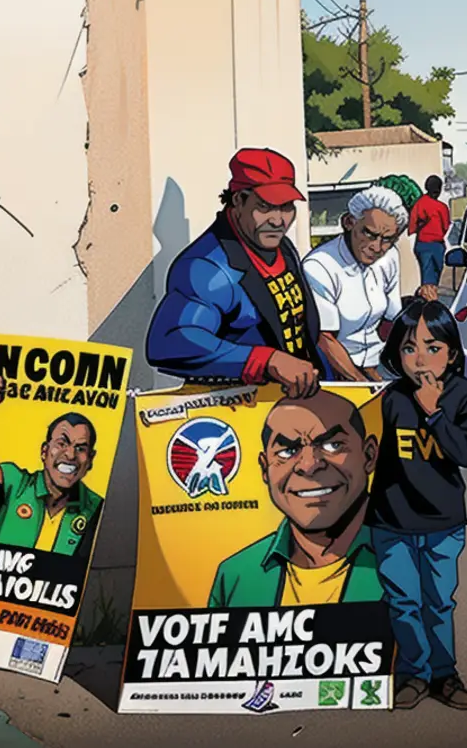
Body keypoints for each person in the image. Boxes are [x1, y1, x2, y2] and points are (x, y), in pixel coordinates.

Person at [369, 297, 467, 711]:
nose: (421, 359)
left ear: (452, 353)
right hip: (391, 521)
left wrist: (434, 413)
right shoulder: (387, 398)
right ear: (396, 354)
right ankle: (412, 673)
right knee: (402, 599)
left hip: (442, 522)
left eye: (433, 348)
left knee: (439, 600)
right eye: (408, 348)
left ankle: (445, 674)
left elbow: (464, 453)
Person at [146, 147, 321, 398]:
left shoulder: (280, 245)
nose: (278, 220)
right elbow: (171, 341)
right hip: (237, 410)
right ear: (238, 200)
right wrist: (265, 360)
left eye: (286, 207)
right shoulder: (206, 266)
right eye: (265, 206)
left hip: (294, 402)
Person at [208, 389, 383, 606]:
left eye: (333, 445)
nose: (308, 465)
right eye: (287, 451)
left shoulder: (415, 562)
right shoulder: (235, 576)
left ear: (369, 455)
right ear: (265, 469)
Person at [0, 375, 103, 556]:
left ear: (90, 459)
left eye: (80, 448)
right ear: (44, 452)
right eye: (61, 444)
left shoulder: (96, 508)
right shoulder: (15, 485)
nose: (70, 455)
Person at [303, 186, 406, 382]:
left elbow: (392, 320)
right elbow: (325, 339)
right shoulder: (320, 265)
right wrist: (364, 384)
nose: (377, 247)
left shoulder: (390, 257)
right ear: (349, 222)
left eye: (387, 240)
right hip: (337, 370)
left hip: (380, 364)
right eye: (369, 234)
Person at [409, 174, 452, 301]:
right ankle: (430, 305)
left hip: (422, 244)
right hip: (436, 245)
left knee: (427, 278)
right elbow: (445, 226)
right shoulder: (442, 207)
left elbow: (411, 226)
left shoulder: (419, 204)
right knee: (432, 279)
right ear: (439, 189)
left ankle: (428, 303)